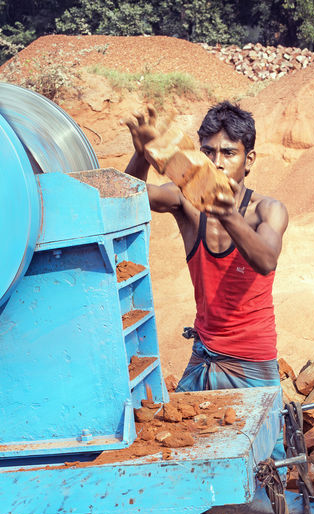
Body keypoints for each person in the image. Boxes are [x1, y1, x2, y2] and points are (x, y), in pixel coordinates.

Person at [124, 101, 289, 396]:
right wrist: (142, 155)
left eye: (229, 153)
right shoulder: (185, 201)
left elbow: (266, 261)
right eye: (208, 152)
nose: (217, 162)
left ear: (249, 160)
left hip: (252, 362)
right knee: (179, 425)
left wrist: (226, 214)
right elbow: (127, 201)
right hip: (204, 355)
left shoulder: (267, 210)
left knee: (263, 427)